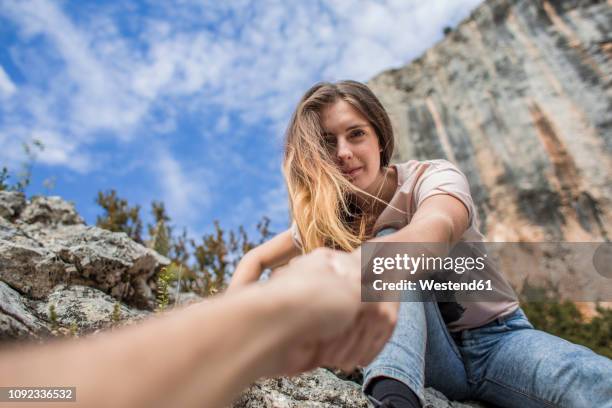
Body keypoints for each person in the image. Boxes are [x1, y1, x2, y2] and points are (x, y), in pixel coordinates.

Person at [228, 80, 612, 407]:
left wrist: (356, 265)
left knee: (590, 378)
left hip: (498, 342)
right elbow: (256, 259)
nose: (343, 152)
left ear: (380, 138)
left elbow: (438, 224)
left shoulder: (431, 177)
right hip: (422, 360)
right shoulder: (327, 219)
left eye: (356, 133)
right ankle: (394, 397)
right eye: (328, 143)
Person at [0, 247, 398, 408]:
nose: (343, 153)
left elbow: (430, 239)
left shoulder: (423, 182)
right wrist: (271, 308)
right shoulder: (319, 216)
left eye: (356, 134)